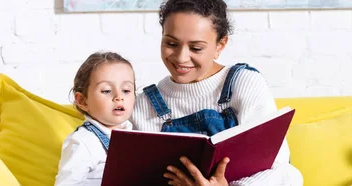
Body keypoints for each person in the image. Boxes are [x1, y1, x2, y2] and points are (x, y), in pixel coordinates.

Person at [129, 0, 303, 185]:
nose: (181, 57)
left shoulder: (244, 83)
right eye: (171, 43)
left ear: (220, 45)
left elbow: (281, 170)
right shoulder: (142, 103)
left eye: (196, 48)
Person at [55, 51, 136, 186]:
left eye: (126, 90)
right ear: (83, 101)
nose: (118, 97)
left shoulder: (133, 134)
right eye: (106, 91)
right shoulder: (83, 142)